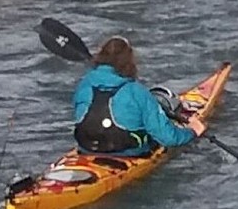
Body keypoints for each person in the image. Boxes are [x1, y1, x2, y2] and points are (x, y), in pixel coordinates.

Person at [71, 37, 205, 156]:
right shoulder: (137, 92)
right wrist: (192, 131)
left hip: (87, 147)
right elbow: (168, 138)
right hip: (128, 151)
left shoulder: (84, 84)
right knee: (154, 125)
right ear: (129, 62)